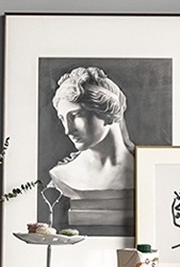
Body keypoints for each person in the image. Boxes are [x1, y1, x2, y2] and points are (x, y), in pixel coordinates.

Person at [46, 67, 135, 235]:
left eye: (76, 115)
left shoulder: (147, 171)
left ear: (108, 112)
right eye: (62, 119)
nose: (68, 130)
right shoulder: (62, 176)